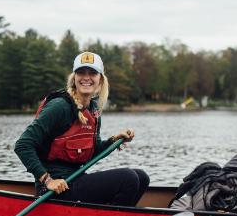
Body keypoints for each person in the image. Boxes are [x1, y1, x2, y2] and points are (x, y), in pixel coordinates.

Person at [14, 51, 149, 206]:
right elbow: (23, 145)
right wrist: (47, 180)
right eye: (81, 72)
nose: (86, 77)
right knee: (128, 178)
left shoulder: (93, 110)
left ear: (100, 79)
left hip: (76, 179)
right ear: (74, 78)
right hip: (55, 189)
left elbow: (92, 152)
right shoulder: (60, 107)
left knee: (142, 177)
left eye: (92, 72)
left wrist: (113, 140)